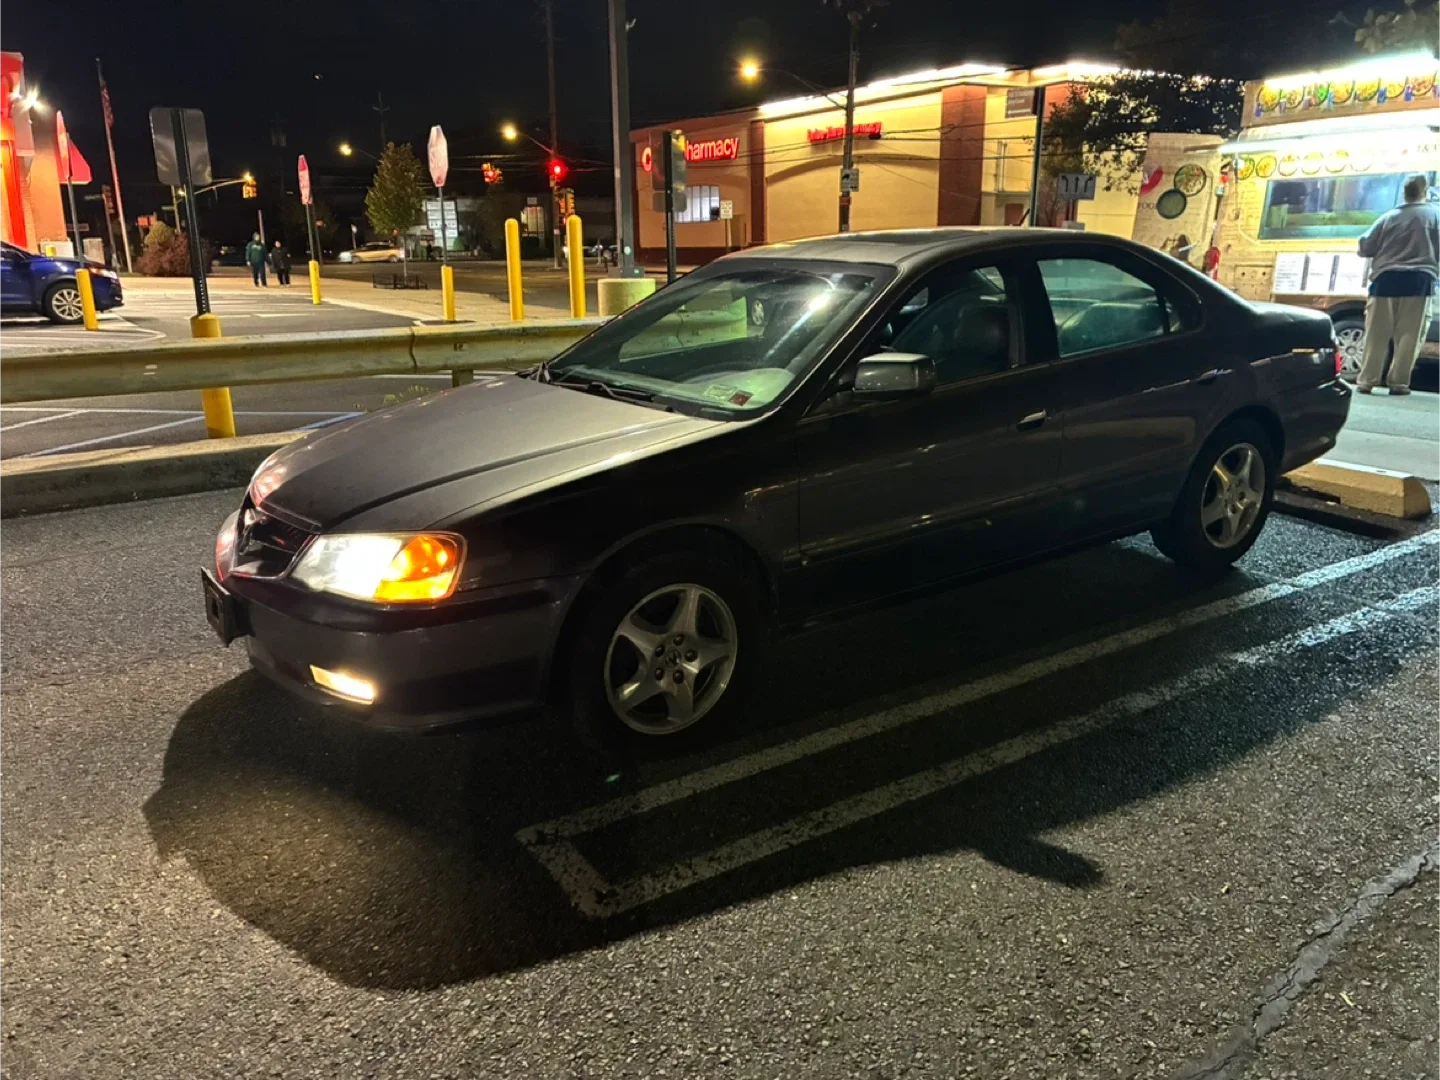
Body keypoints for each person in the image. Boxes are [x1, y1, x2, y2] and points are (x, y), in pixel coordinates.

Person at [1355, 173, 1440, 395]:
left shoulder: (1388, 217)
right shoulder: (1435, 216)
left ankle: (1366, 381)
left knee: (1376, 334)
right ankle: (1398, 383)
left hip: (1384, 281)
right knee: (1410, 335)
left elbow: (1364, 247)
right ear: (1425, 191)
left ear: (1404, 192)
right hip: (1419, 281)